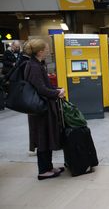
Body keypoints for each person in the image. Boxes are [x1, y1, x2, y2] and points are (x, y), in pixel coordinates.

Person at [24, 39, 66, 180]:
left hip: (43, 107)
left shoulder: (37, 64)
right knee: (42, 138)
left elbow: (44, 85)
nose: (48, 52)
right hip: (40, 110)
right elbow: (40, 88)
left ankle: (48, 167)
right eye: (46, 49)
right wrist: (57, 93)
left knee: (46, 137)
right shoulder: (34, 66)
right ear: (40, 51)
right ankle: (43, 170)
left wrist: (56, 89)